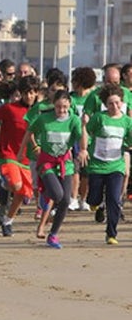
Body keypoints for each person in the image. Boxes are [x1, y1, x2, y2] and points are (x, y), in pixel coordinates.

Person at [25, 90, 84, 249]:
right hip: (46, 163)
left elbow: (81, 136)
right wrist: (35, 146)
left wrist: (83, 149)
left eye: (65, 107)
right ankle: (46, 194)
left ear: (69, 105)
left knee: (65, 200)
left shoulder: (73, 120)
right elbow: (30, 131)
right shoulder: (44, 119)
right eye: (58, 107)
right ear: (54, 106)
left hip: (66, 164)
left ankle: (53, 235)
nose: (62, 110)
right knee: (57, 195)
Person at [81, 83, 132, 245]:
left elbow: (129, 140)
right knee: (94, 198)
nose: (114, 106)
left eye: (117, 103)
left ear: (122, 103)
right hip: (97, 164)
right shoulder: (99, 118)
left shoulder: (127, 121)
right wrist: (85, 148)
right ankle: (95, 203)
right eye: (111, 103)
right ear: (105, 104)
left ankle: (111, 234)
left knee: (114, 200)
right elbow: (87, 132)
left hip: (116, 166)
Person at [0, 77, 39, 237]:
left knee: (23, 193)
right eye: (26, 93)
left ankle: (8, 220)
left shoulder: (39, 112)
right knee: (16, 185)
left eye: (32, 93)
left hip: (26, 158)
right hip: (9, 154)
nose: (29, 96)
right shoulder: (9, 109)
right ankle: (4, 186)